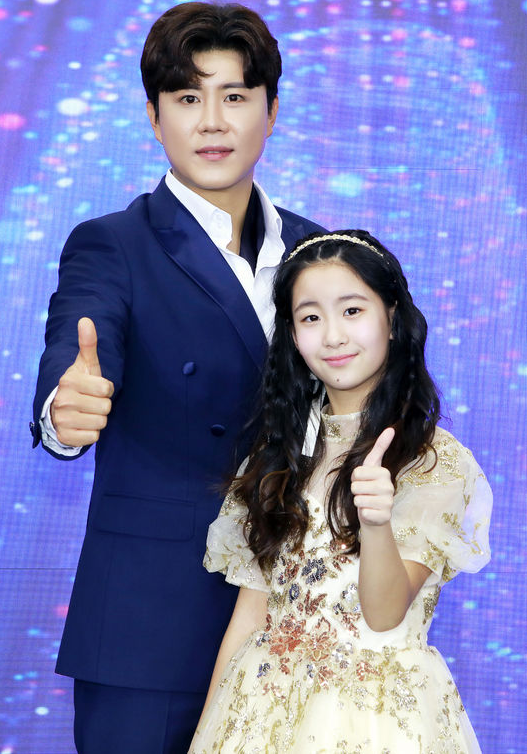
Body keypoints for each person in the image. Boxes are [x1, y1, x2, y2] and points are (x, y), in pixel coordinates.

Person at [31, 2, 323, 753]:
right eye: (188, 97)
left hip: (297, 623)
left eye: (235, 95)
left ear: (272, 111)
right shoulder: (112, 244)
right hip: (149, 624)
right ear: (154, 117)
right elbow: (79, 345)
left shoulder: (320, 252)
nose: (212, 121)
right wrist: (65, 409)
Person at [190, 230, 492, 753]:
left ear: (392, 318)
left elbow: (385, 614)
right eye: (311, 317)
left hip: (375, 718)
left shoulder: (432, 460)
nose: (332, 336)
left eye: (352, 311)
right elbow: (251, 613)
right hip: (260, 709)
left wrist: (375, 523)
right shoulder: (275, 456)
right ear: (292, 335)